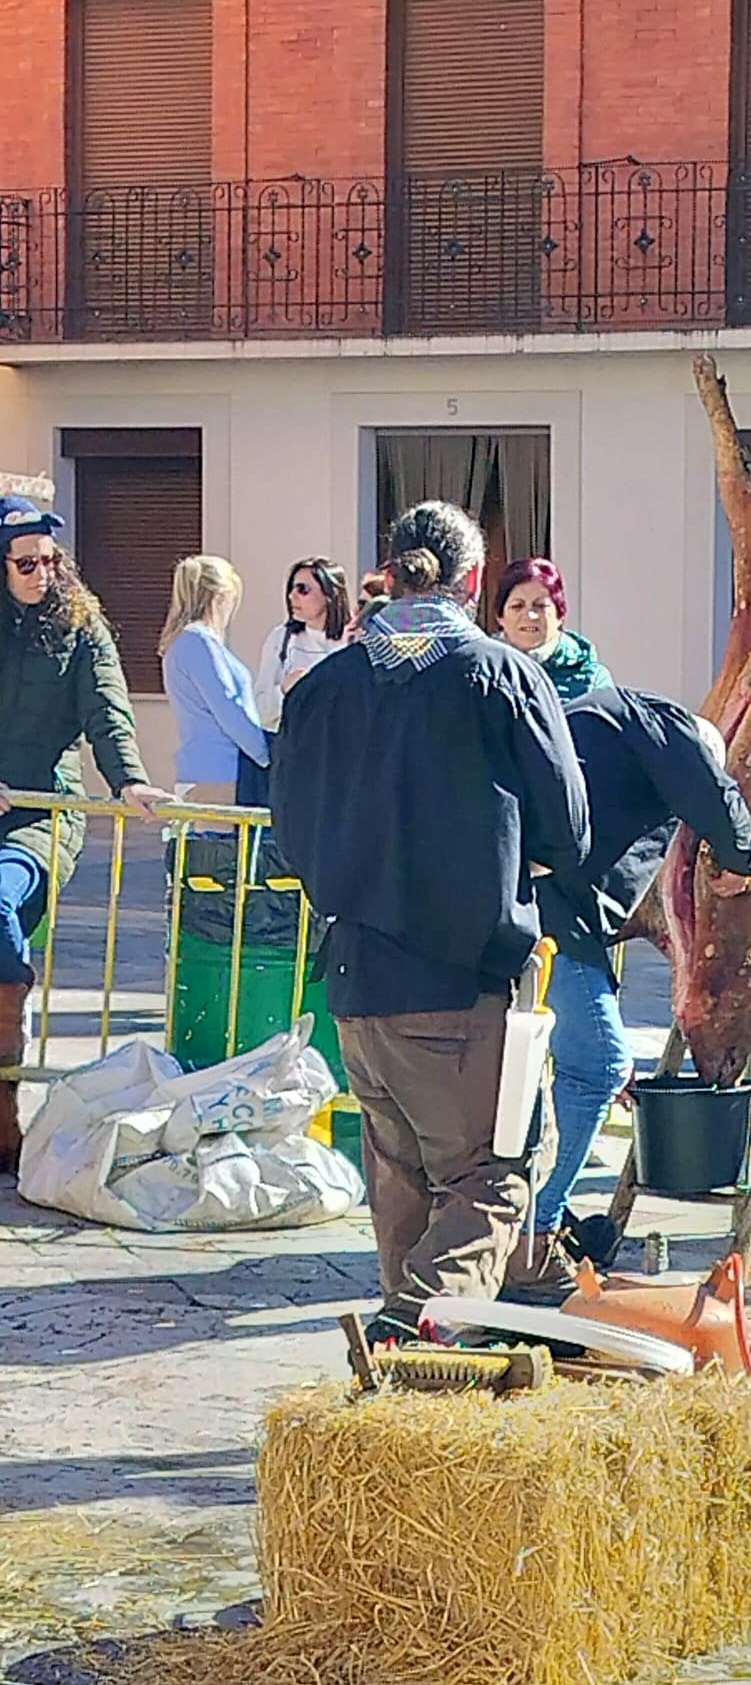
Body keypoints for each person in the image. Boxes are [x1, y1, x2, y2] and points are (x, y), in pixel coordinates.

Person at [271, 500, 589, 1342]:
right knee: (494, 1174)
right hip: (459, 976)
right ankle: (415, 1332)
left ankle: (413, 1389)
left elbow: (291, 835)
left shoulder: (325, 683)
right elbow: (569, 825)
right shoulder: (498, 673)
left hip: (356, 978)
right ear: (476, 582)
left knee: (405, 1181)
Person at [505, 688, 751, 1296]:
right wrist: (740, 854)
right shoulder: (664, 724)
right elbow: (714, 796)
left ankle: (531, 1219)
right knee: (600, 1065)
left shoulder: (592, 722)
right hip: (551, 912)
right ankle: (535, 1234)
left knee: (520, 1076)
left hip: (517, 901)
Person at [0, 489, 168, 1170]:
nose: (41, 574)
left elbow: (106, 706)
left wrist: (127, 778)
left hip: (44, 813)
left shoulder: (80, 625)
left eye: (48, 561)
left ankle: (4, 1113)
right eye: (25, 565)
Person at [159, 557, 270, 806]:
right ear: (220, 597)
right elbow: (228, 707)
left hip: (206, 767)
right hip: (222, 773)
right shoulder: (199, 642)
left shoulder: (184, 642)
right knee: (221, 844)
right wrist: (267, 755)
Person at [495, 557, 612, 703]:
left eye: (541, 606)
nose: (530, 615)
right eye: (517, 606)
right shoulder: (479, 670)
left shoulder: (593, 680)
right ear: (500, 616)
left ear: (560, 614)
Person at [254, 557, 350, 733]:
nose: (292, 596)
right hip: (296, 750)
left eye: (303, 589)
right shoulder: (282, 638)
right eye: (291, 588)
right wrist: (283, 690)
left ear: (330, 594)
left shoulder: (354, 640)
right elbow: (259, 711)